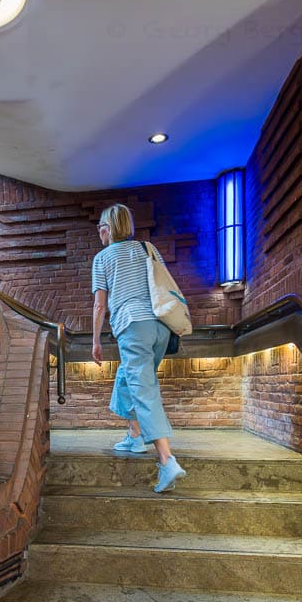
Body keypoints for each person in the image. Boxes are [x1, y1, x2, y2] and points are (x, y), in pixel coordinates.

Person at [90, 204, 186, 493]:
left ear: (107, 228)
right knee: (129, 377)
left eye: (100, 227)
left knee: (144, 389)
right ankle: (134, 435)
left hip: (132, 326)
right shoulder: (146, 248)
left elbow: (99, 305)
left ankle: (167, 460)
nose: (98, 232)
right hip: (160, 326)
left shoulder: (102, 258)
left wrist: (95, 341)